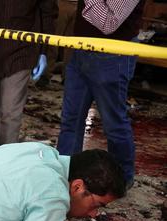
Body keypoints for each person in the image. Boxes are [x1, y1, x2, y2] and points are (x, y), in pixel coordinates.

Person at [57, 0, 146, 188]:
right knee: (70, 119)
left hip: (113, 54)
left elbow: (108, 23)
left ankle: (121, 180)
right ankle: (65, 174)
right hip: (82, 48)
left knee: (113, 123)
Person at [0, 0, 57, 147]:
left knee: (10, 114)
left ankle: (6, 162)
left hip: (22, 52)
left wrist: (43, 51)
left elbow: (48, 13)